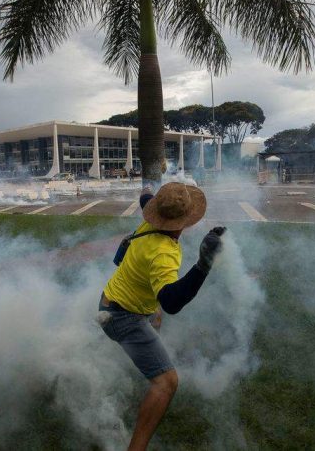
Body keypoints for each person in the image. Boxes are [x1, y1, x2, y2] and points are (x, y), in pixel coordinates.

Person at [98, 182, 225, 450]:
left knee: (155, 317)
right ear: (186, 220)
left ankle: (145, 351)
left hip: (111, 301)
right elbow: (170, 301)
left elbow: (145, 195)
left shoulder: (150, 219)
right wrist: (203, 263)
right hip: (122, 317)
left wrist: (148, 184)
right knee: (167, 382)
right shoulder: (164, 251)